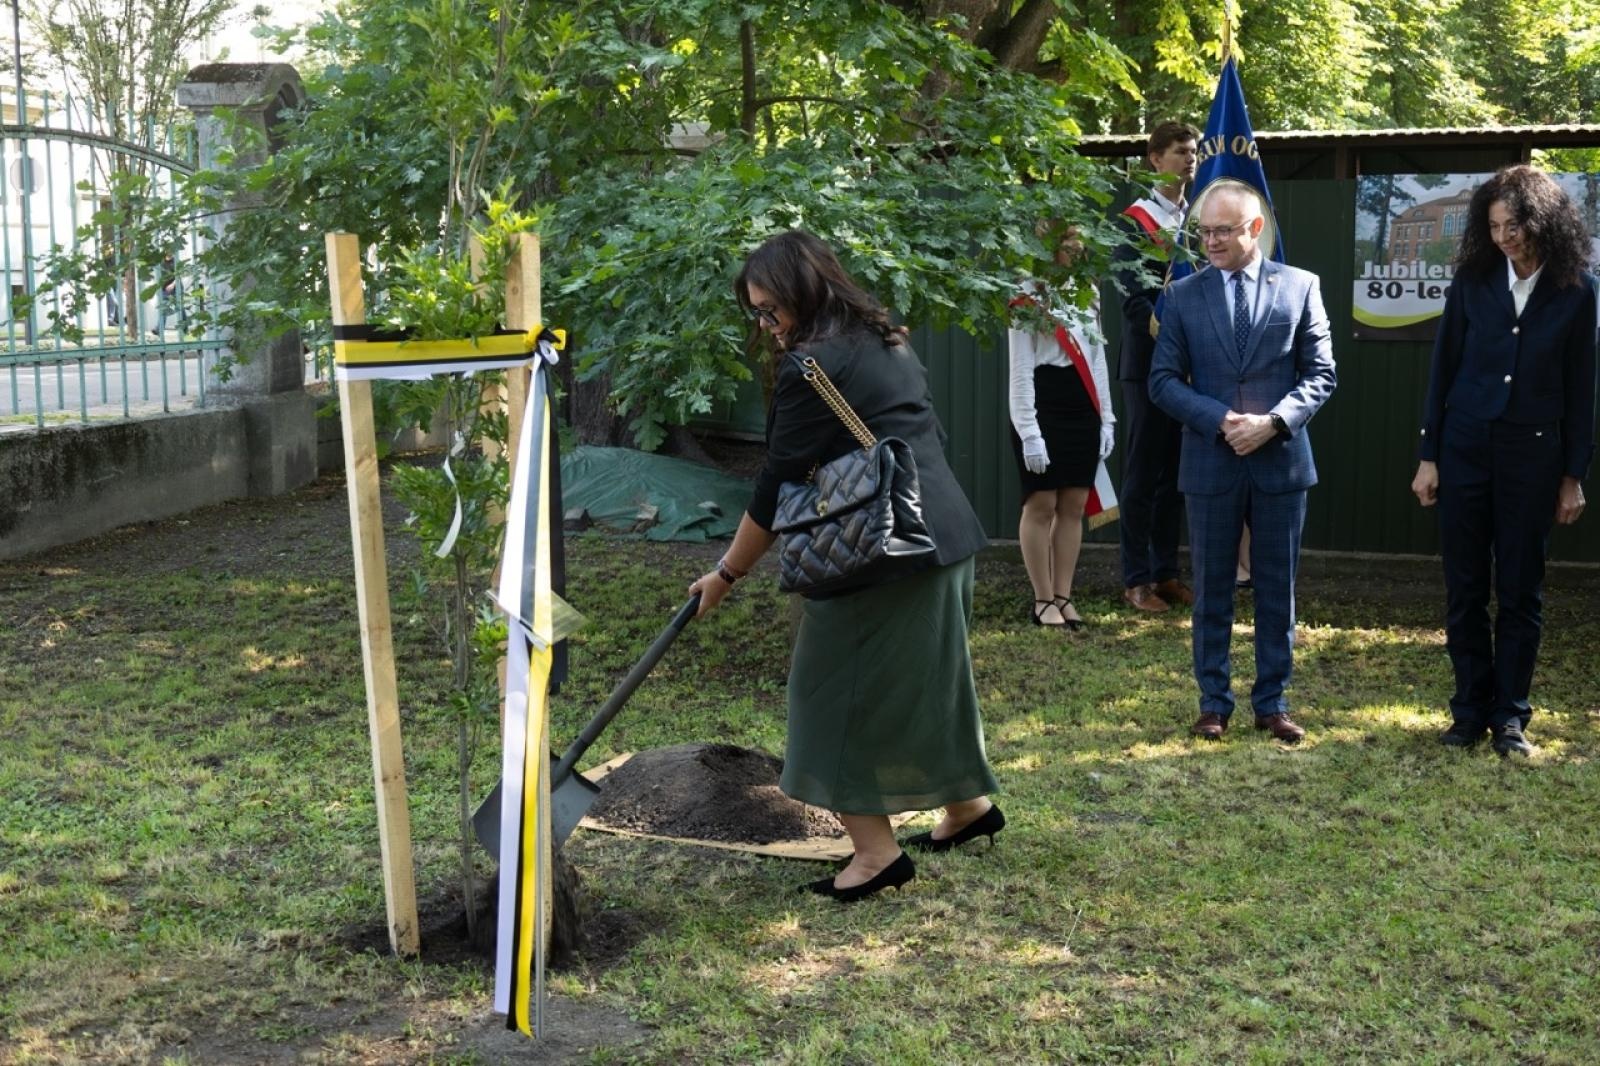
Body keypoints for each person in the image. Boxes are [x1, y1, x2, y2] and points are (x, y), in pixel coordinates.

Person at [689, 230, 1001, 903]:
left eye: (771, 310)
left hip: (882, 552)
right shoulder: (886, 336)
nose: (767, 326)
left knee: (828, 698)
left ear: (803, 292)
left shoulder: (811, 369)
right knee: (935, 684)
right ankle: (968, 810)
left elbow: (775, 485)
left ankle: (875, 855)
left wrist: (727, 573)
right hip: (942, 532)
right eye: (758, 314)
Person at [1409, 165, 1597, 756]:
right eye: (1493, 226)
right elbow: (1443, 369)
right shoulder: (1473, 279)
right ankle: (1468, 711)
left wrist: (1573, 476)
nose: (1504, 237)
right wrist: (1428, 455)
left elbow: (1582, 388)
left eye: (1513, 224)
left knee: (1520, 590)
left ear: (1543, 219)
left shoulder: (1577, 289)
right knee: (1464, 587)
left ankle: (1510, 715)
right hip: (1464, 448)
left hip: (1533, 456)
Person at [1148, 181, 1337, 743]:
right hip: (1211, 459)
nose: (1210, 241)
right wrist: (1220, 419)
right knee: (1211, 588)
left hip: (1280, 459)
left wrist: (1273, 422)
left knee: (1277, 588)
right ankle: (1213, 703)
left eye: (1222, 231)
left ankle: (1272, 703)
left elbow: (1320, 375)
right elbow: (1161, 382)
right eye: (1204, 231)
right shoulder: (1183, 295)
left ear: (1255, 229)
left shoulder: (1301, 287)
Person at [1007, 226, 1116, 630]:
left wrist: (1106, 417)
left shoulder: (1087, 289)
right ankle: (1042, 599)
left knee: (1073, 505)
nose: (1076, 249)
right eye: (1067, 241)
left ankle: (1064, 595)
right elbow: (1020, 368)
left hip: (1082, 402)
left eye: (1079, 241)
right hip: (1042, 401)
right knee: (1041, 504)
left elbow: (1097, 356)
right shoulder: (1025, 293)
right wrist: (1028, 430)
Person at [1115, 121, 1200, 613]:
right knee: (1144, 472)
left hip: (1191, 364)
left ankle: (1167, 573)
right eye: (1180, 152)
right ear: (1155, 158)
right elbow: (1133, 299)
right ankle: (1135, 579)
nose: (1190, 159)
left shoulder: (1200, 215)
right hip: (1148, 363)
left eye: (1194, 152)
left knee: (1176, 473)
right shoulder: (1135, 220)